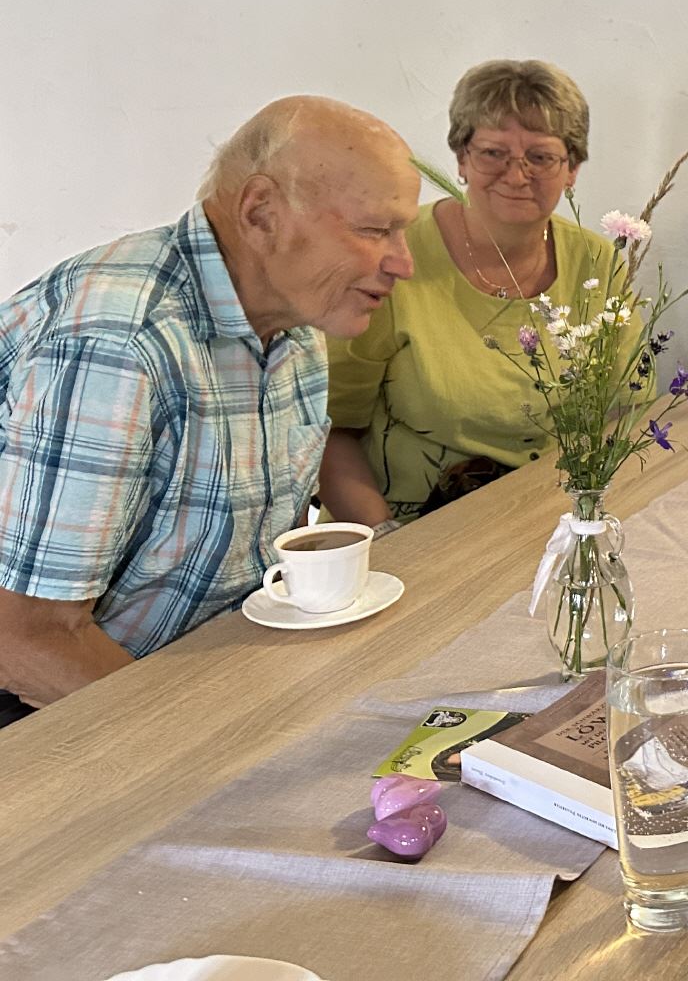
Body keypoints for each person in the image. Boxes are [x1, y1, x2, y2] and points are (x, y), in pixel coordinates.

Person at [0, 98, 417, 722]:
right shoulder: (121, 343)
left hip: (190, 668)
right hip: (47, 706)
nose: (404, 263)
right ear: (260, 212)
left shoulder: (296, 323)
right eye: (375, 230)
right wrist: (213, 744)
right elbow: (27, 638)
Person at [319, 60, 614, 528]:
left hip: (544, 522)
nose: (516, 176)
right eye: (493, 153)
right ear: (461, 158)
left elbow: (620, 414)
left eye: (540, 157)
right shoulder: (390, 258)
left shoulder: (597, 262)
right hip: (402, 529)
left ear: (572, 168)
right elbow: (326, 430)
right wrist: (388, 538)